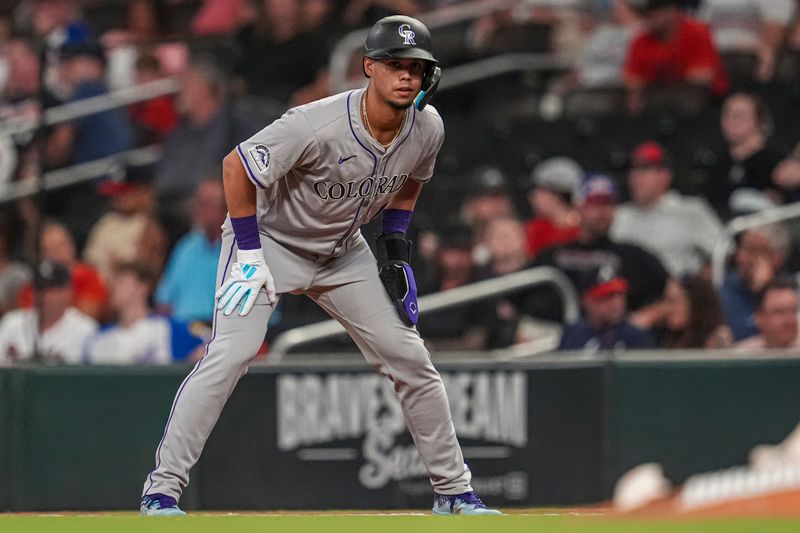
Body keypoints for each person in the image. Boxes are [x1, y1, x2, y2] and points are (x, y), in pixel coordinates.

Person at [139, 16, 500, 517]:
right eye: (395, 65)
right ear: (369, 68)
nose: (406, 77)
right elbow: (235, 167)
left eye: (416, 68)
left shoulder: (427, 127)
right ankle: (162, 491)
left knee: (412, 361)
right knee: (231, 353)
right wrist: (247, 252)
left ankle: (455, 492)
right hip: (268, 242)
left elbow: (411, 179)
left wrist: (394, 246)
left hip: (342, 252)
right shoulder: (315, 122)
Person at [530, 173, 669, 323]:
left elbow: (675, 294)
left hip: (618, 341)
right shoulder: (553, 255)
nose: (602, 212)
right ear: (578, 207)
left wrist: (647, 317)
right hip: (559, 340)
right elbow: (516, 296)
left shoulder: (633, 256)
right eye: (594, 204)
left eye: (608, 204)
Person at [611, 141, 723, 276]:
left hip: (679, 288)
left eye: (644, 170)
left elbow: (723, 252)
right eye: (633, 170)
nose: (636, 177)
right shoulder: (618, 215)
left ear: (665, 175)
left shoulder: (691, 210)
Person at [82, 262, 205, 365]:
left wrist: (192, 361)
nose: (113, 287)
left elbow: (211, 344)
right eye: (113, 282)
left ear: (143, 287)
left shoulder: (167, 327)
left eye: (122, 282)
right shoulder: (99, 338)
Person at [624, 0, 728, 113]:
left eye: (654, 11)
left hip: (707, 103)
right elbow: (632, 81)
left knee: (689, 95)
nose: (648, 17)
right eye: (645, 13)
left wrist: (658, 78)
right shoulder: (641, 40)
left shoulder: (696, 30)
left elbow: (704, 76)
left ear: (672, 10)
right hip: (659, 100)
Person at [0, 260, 97, 365]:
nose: (45, 297)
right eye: (40, 289)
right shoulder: (12, 323)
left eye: (53, 290)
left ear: (69, 292)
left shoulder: (86, 330)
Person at [156, 179, 226, 324]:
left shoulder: (242, 249)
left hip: (221, 329)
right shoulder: (186, 247)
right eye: (198, 202)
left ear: (226, 209)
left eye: (207, 203)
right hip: (182, 329)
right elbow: (164, 301)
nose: (198, 209)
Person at [705, 92, 787, 215]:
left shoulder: (776, 163)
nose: (731, 120)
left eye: (740, 115)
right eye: (727, 113)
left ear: (758, 121)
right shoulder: (715, 163)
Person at [83, 162, 167, 283]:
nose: (116, 198)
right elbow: (88, 262)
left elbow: (148, 276)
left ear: (143, 192)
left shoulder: (151, 228)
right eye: (116, 194)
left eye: (124, 193)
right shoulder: (107, 222)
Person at [17, 221, 108, 321]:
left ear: (72, 246)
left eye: (61, 245)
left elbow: (87, 316)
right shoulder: (33, 285)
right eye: (50, 249)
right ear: (41, 255)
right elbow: (27, 321)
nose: (58, 252)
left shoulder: (88, 276)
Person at [720, 223, 790, 341]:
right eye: (741, 248)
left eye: (752, 251)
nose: (740, 258)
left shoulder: (792, 293)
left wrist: (764, 291)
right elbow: (737, 337)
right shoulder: (725, 290)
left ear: (776, 257)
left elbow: (785, 337)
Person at [559, 266, 655, 351]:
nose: (615, 303)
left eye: (619, 295)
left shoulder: (636, 336)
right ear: (587, 301)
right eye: (606, 297)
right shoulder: (574, 335)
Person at [698, 0, 795, 82]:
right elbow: (700, 29)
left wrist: (765, 52)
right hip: (712, 54)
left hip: (749, 56)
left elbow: (774, 35)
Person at [524, 157, 582, 259]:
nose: (532, 198)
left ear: (554, 195)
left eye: (538, 191)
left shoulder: (584, 228)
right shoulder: (534, 229)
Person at [657, 275, 733, 349]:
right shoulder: (672, 337)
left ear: (695, 303)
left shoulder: (716, 336)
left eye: (673, 301)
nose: (666, 308)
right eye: (666, 300)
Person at [736, 277, 800, 350]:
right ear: (759, 317)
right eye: (779, 312)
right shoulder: (742, 356)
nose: (789, 320)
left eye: (793, 311)